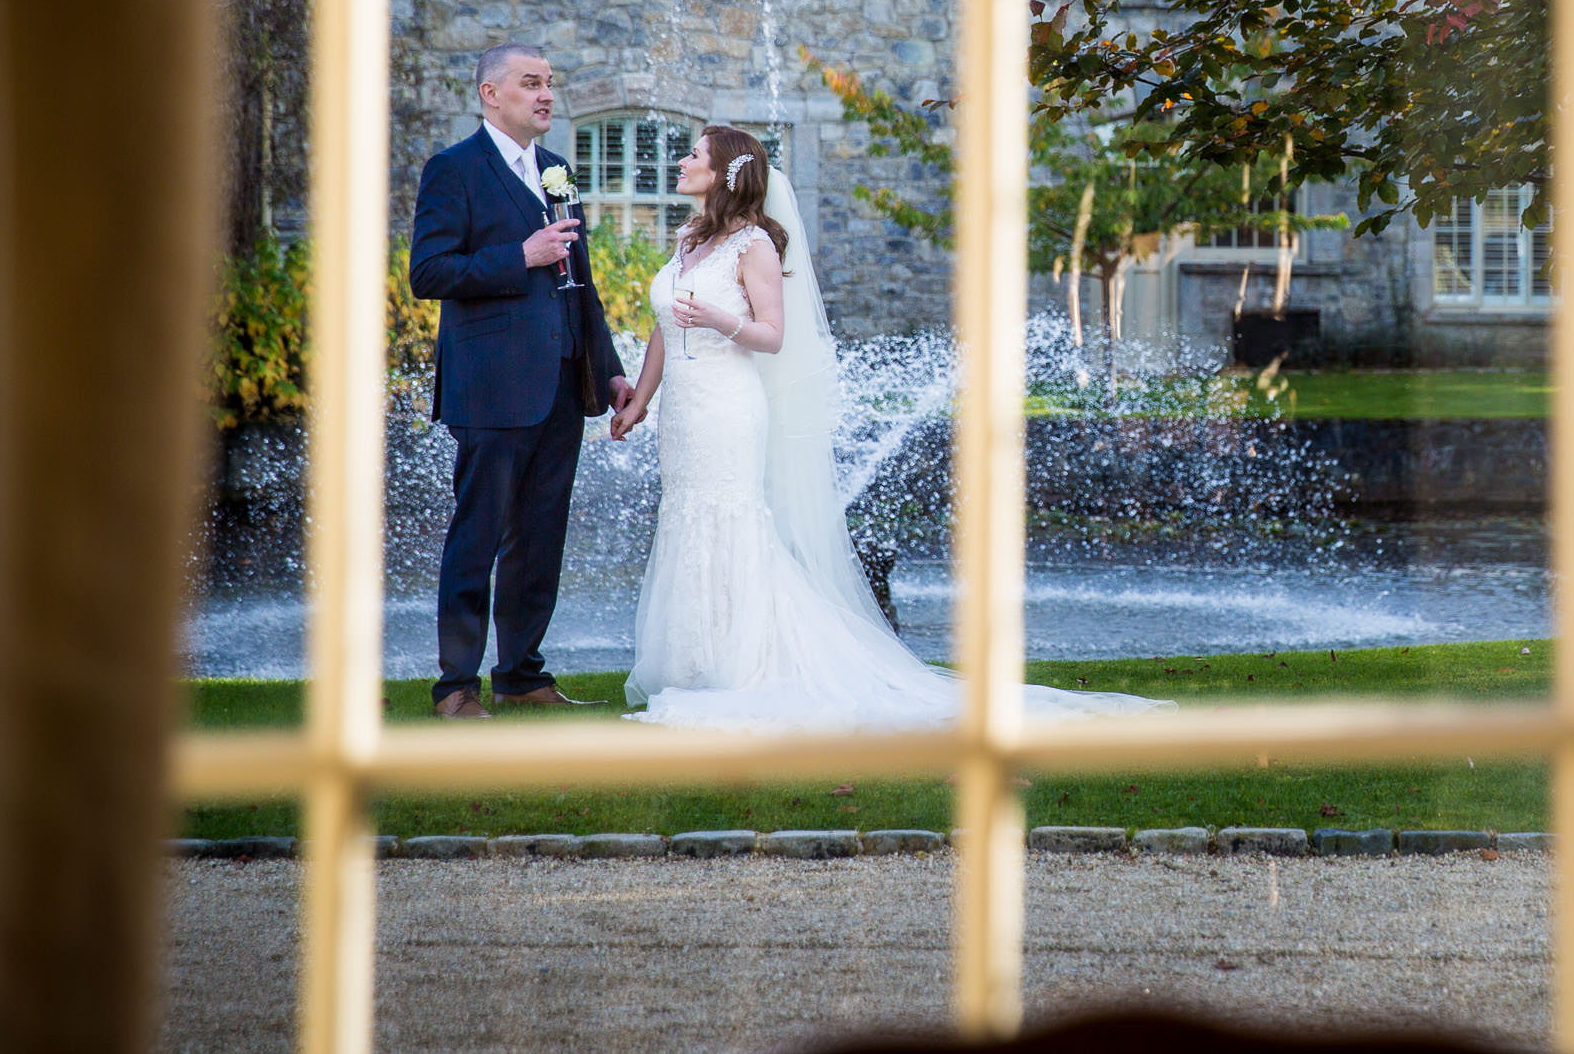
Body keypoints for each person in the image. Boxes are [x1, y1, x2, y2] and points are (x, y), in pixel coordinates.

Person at [606, 125, 1168, 729]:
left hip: (728, 408)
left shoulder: (756, 247)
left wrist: (720, 318)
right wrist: (640, 397)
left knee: (730, 519)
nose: (683, 161)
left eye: (694, 154)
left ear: (724, 173)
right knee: (688, 516)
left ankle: (742, 663)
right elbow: (667, 324)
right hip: (683, 416)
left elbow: (772, 336)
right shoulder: (690, 239)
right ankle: (692, 660)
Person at [408, 43, 632, 719]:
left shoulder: (557, 169)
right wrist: (519, 256)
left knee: (541, 535)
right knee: (478, 536)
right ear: (490, 93)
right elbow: (429, 272)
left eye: (550, 84)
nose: (545, 95)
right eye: (530, 83)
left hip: (563, 383)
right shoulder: (453, 170)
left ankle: (521, 673)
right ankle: (455, 687)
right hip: (491, 385)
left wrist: (611, 370)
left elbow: (580, 284)